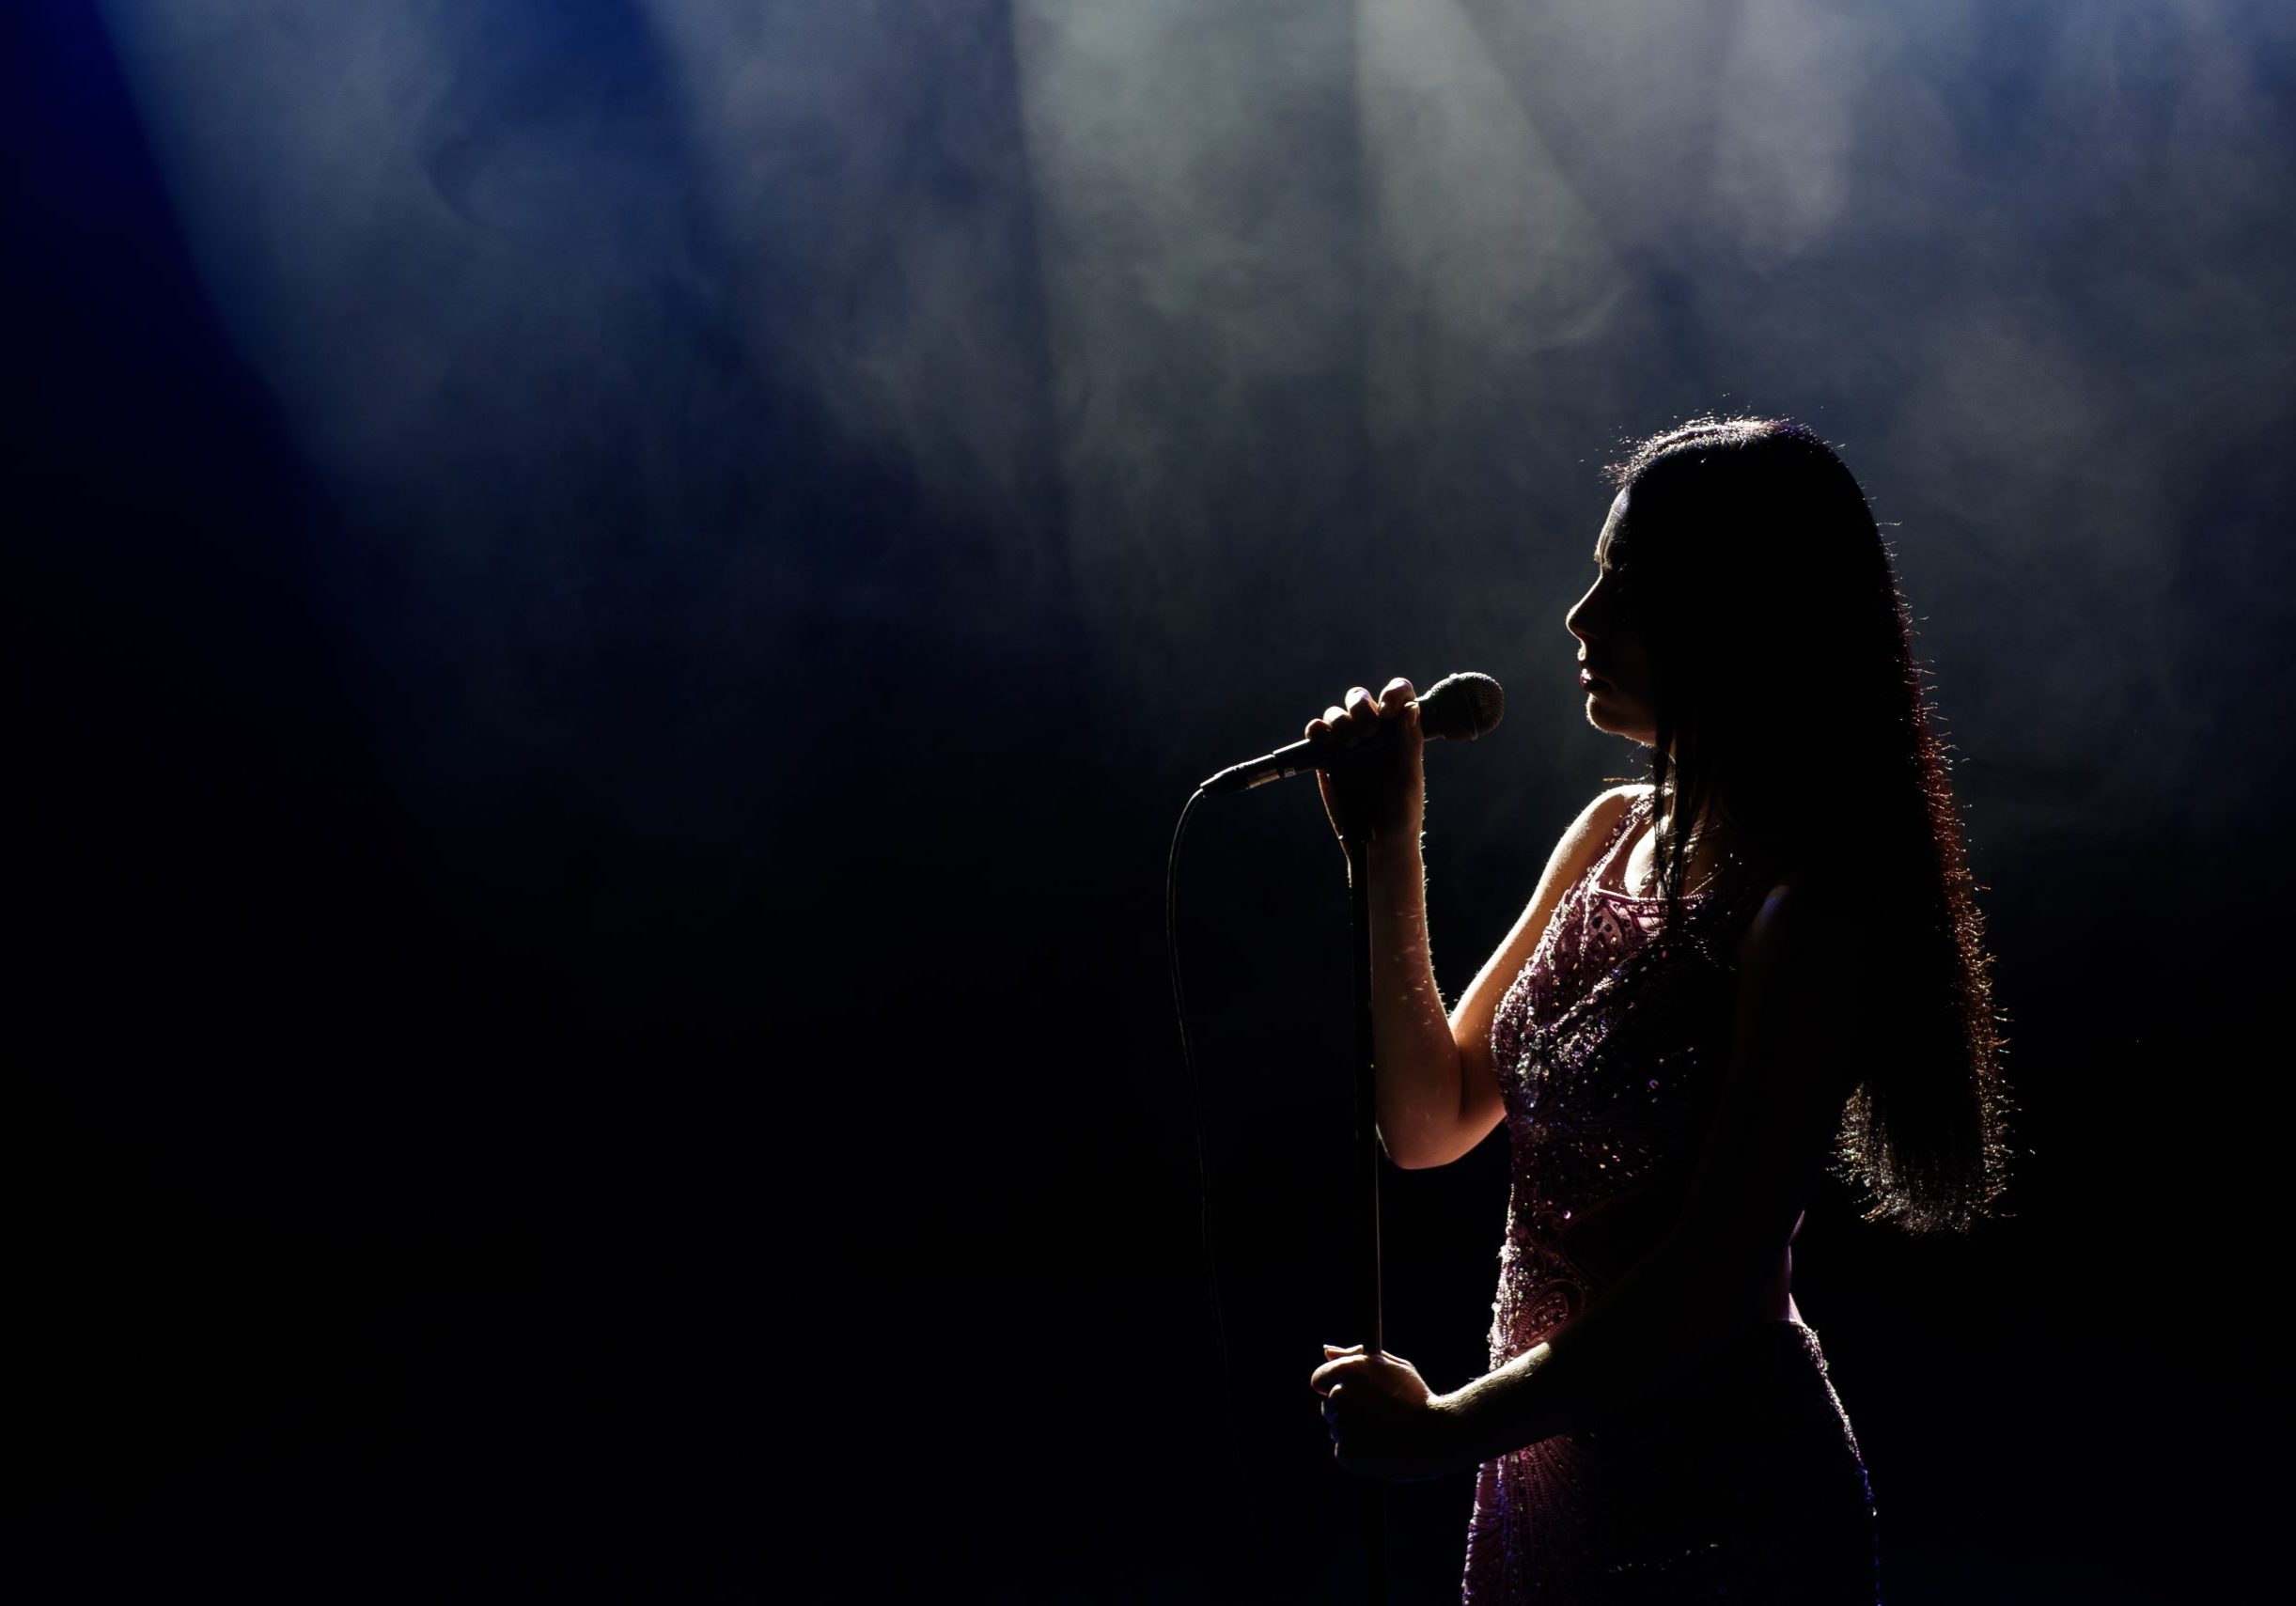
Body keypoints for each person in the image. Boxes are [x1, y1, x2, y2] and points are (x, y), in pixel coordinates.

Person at [1303, 416, 2014, 1601]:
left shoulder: (1802, 912)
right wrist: (1384, 842)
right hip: (1541, 1487)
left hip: (1720, 1513)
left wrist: (1443, 1429)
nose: (1580, 619)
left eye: (1624, 585)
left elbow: (1710, 1280)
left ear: (1738, 612)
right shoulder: (1604, 837)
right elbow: (1429, 1119)